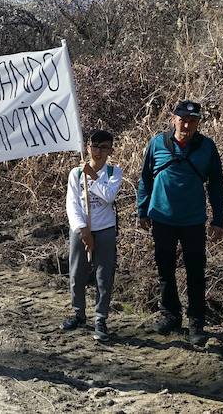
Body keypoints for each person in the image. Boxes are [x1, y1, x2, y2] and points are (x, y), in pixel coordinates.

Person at [137, 100, 223, 345]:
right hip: (161, 218)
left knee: (196, 272)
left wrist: (218, 219)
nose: (187, 125)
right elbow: (145, 178)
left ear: (198, 123)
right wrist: (142, 210)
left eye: (192, 121)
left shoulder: (207, 147)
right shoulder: (157, 143)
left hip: (193, 221)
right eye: (183, 120)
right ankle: (170, 315)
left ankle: (196, 323)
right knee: (165, 269)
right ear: (173, 119)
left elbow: (216, 184)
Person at [60, 130, 123, 342]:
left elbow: (108, 196)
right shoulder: (76, 173)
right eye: (95, 147)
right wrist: (82, 229)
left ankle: (100, 318)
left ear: (110, 150)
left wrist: (93, 177)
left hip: (105, 229)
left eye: (104, 147)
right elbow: (72, 204)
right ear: (88, 148)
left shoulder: (114, 172)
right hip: (81, 229)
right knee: (77, 273)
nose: (98, 152)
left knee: (104, 276)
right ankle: (78, 314)